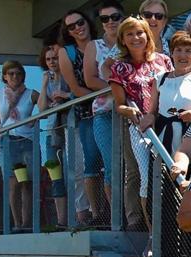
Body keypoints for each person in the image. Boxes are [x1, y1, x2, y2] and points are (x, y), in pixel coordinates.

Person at [108, 16, 173, 234]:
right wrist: (129, 110)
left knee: (163, 174)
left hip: (163, 125)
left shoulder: (163, 61)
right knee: (140, 175)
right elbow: (119, 104)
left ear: (148, 35)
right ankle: (144, 226)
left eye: (140, 33)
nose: (136, 38)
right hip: (137, 128)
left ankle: (167, 226)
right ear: (123, 39)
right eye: (129, 34)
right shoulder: (119, 67)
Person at [57, 9, 102, 225]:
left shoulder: (102, 45)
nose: (77, 27)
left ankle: (110, 211)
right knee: (87, 163)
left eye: (80, 22)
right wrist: (105, 97)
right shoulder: (67, 52)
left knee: (111, 165)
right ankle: (90, 215)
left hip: (113, 112)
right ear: (67, 32)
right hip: (85, 114)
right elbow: (75, 88)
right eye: (71, 26)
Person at [83, 1, 124, 216]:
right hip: (104, 113)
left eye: (115, 17)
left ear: (123, 18)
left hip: (129, 113)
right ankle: (117, 216)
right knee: (111, 165)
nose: (110, 22)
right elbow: (90, 79)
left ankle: (132, 215)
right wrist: (117, 89)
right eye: (104, 19)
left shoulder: (131, 41)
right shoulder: (94, 46)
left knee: (131, 168)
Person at [0, 60, 39, 232]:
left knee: (27, 183)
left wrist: (36, 119)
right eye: (11, 73)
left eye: (18, 73)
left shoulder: (31, 93)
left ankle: (27, 223)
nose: (15, 76)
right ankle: (17, 223)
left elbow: (46, 107)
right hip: (8, 140)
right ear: (4, 76)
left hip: (27, 141)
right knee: (13, 183)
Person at [154, 31, 191, 155]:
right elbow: (152, 113)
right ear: (171, 53)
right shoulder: (160, 79)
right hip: (162, 140)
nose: (182, 55)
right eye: (178, 50)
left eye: (188, 50)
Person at [37, 42, 71, 227]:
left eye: (55, 58)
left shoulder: (68, 76)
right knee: (55, 176)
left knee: (70, 173)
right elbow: (42, 108)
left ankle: (77, 216)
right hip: (51, 133)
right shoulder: (47, 80)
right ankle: (61, 221)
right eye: (48, 59)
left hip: (68, 128)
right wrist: (43, 85)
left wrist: (64, 95)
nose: (52, 62)